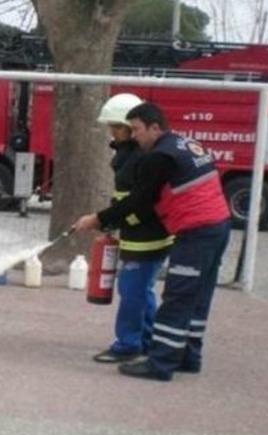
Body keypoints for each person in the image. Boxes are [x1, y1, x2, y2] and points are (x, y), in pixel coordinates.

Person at [73, 102, 231, 382]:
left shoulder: (158, 156)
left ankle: (160, 364)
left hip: (196, 232)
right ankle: (189, 357)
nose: (134, 136)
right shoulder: (184, 143)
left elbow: (140, 200)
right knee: (198, 297)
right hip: (217, 226)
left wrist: (98, 218)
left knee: (178, 297)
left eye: (137, 129)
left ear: (155, 127)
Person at [91, 94, 173, 364]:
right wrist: (114, 221)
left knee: (132, 290)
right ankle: (146, 339)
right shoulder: (127, 154)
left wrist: (104, 219)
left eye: (118, 127)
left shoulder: (142, 157)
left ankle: (128, 344)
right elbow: (123, 197)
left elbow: (140, 201)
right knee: (142, 290)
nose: (112, 133)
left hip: (146, 236)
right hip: (139, 232)